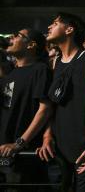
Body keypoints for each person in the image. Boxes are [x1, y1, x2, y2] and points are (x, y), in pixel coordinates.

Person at [36, 12, 85, 192]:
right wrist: (47, 135)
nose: (49, 27)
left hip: (83, 144)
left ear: (69, 29)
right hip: (58, 145)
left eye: (55, 23)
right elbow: (52, 104)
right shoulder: (55, 62)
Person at [0, 28, 52, 188]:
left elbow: (44, 110)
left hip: (24, 154)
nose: (11, 37)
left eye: (17, 35)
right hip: (5, 151)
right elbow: (8, 106)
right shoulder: (11, 73)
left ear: (31, 45)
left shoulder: (40, 70)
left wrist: (19, 143)